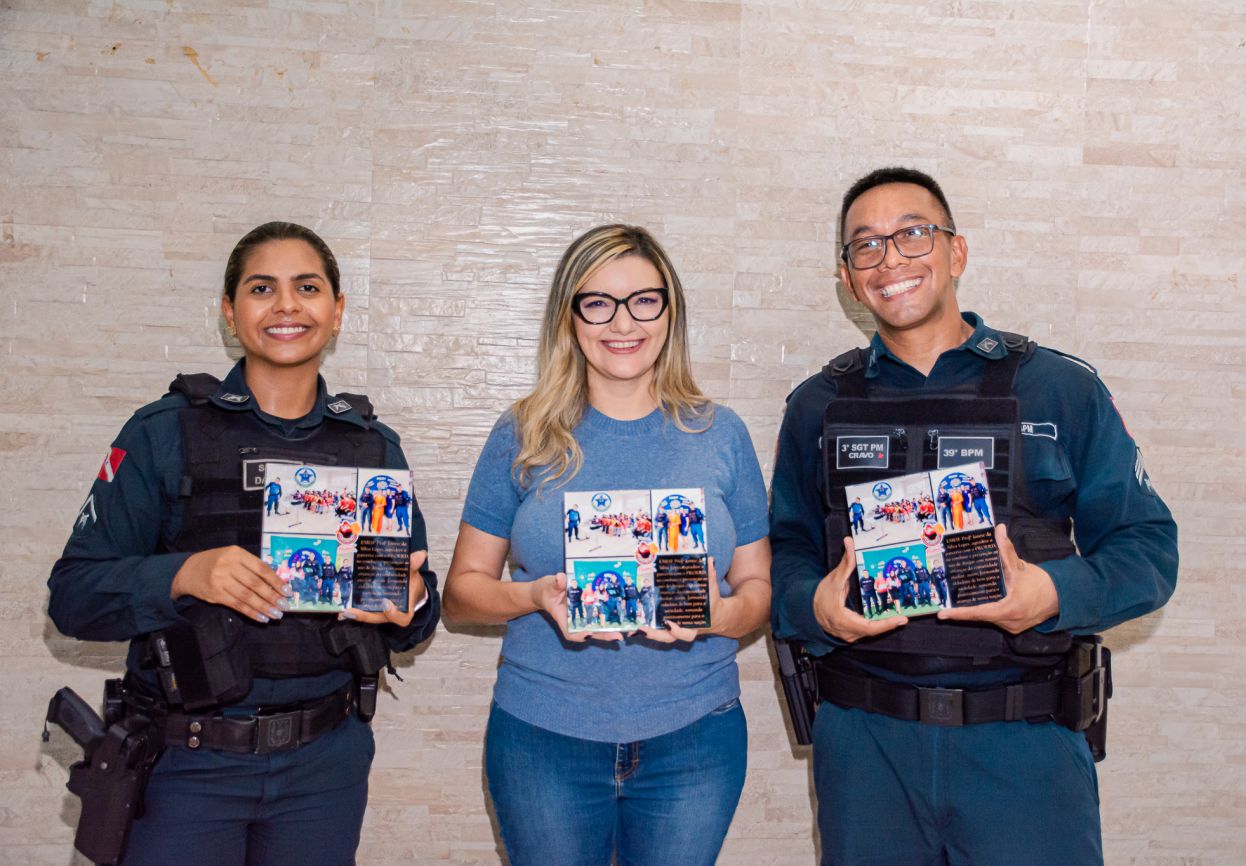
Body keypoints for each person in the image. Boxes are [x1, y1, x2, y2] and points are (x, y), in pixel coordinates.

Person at [769, 168, 1178, 865]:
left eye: (913, 234)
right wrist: (813, 605)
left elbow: (1148, 550)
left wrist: (1051, 594)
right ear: (847, 278)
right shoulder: (816, 405)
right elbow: (783, 551)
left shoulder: (1061, 389)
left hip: (1025, 743)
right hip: (866, 749)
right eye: (866, 245)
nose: (890, 259)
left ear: (956, 252)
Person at [46, 221, 440, 866]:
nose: (286, 305)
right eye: (262, 288)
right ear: (230, 312)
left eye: (307, 288)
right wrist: (183, 576)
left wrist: (412, 600)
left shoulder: (373, 448)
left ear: (337, 310)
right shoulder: (162, 432)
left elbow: (414, 615)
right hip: (186, 766)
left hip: (325, 767)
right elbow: (72, 597)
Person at [443, 224, 771, 866]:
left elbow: (758, 589)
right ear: (569, 317)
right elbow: (461, 594)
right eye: (598, 302)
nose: (623, 322)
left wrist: (719, 614)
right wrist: (535, 596)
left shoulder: (721, 433)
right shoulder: (522, 433)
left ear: (670, 312)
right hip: (542, 736)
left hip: (697, 736)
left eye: (644, 300)